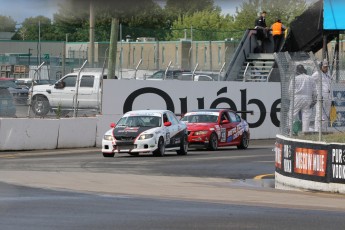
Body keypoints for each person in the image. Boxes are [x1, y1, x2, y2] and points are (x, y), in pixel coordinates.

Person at [288, 64, 317, 133]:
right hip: (308, 98)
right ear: (304, 70)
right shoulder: (310, 78)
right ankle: (305, 132)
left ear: (297, 71)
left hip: (297, 97)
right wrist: (314, 99)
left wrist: (292, 98)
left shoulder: (295, 78)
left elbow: (290, 91)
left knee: (292, 114)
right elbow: (315, 90)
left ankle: (290, 131)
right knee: (306, 116)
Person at [312, 60, 333, 131]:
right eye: (324, 67)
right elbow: (311, 81)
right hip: (321, 96)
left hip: (328, 96)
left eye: (327, 67)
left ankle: (323, 130)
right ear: (321, 67)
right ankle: (317, 130)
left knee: (326, 114)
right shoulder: (317, 74)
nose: (326, 68)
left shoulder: (328, 74)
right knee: (319, 113)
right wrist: (315, 92)